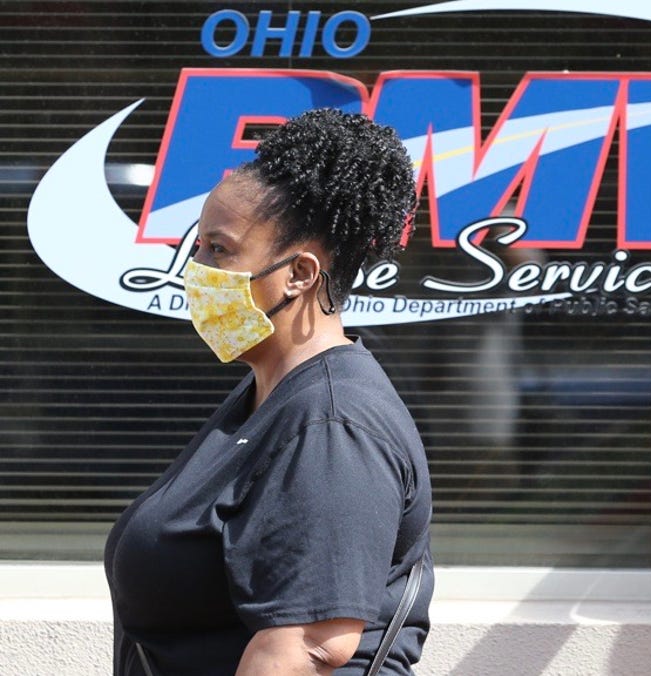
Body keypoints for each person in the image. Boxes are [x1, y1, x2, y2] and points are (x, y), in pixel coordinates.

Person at [104, 109, 433, 675]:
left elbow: (306, 646)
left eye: (219, 249)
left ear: (299, 274)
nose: (195, 269)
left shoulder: (334, 424)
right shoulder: (269, 395)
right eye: (199, 246)